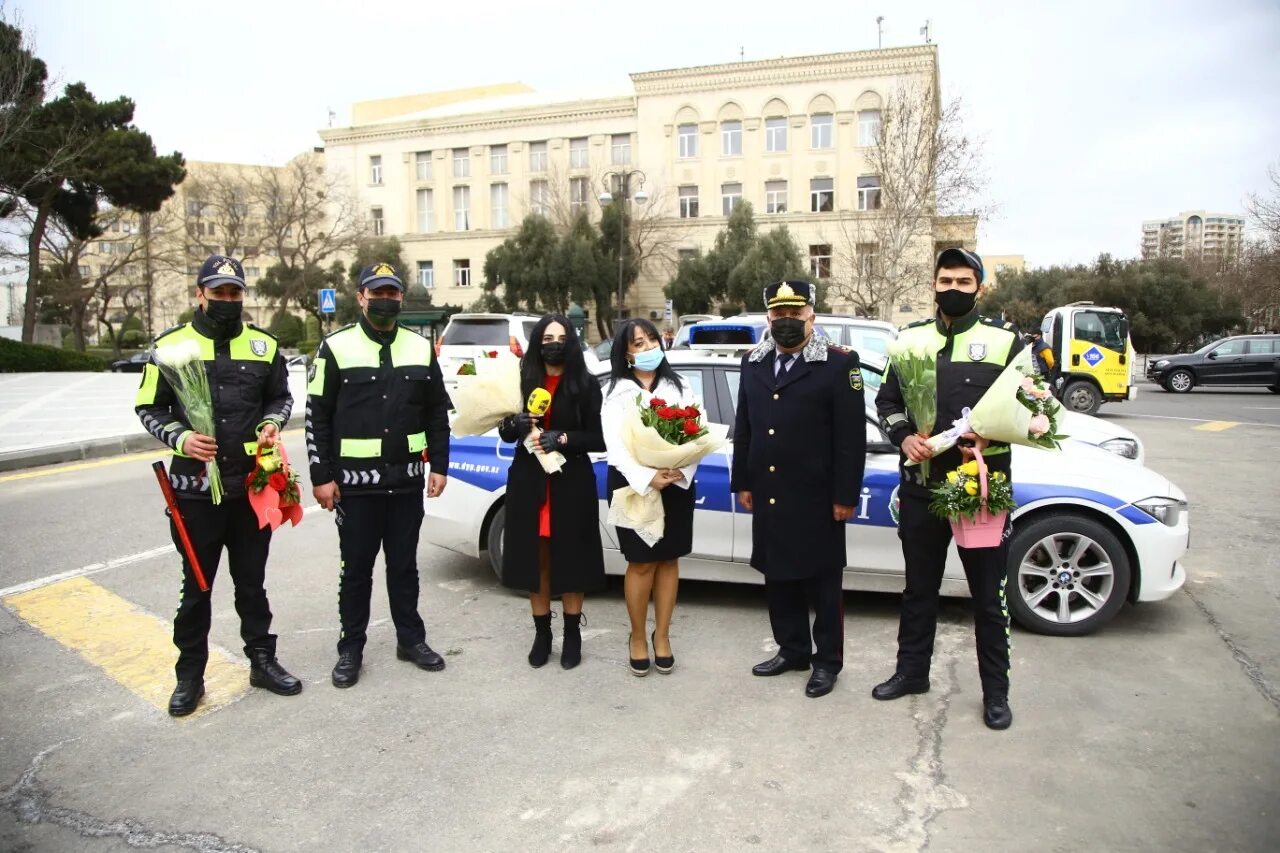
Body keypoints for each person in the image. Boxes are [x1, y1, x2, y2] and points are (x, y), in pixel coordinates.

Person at [135, 254, 300, 716]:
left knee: (253, 585)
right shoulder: (170, 347)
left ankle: (262, 663)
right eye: (219, 292)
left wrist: (271, 422)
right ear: (200, 294)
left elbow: (280, 397)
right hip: (194, 492)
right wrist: (182, 438)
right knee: (198, 588)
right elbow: (149, 407)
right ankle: (190, 676)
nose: (228, 300)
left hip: (251, 488)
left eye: (235, 292)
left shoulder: (264, 347)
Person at [873, 248, 1025, 730]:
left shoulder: (1005, 341)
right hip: (921, 487)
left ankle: (996, 695)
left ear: (979, 287)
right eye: (945, 281)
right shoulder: (909, 340)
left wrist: (993, 433)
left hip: (980, 488)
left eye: (964, 281)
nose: (953, 289)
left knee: (987, 597)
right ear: (933, 285)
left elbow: (1035, 406)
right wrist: (904, 437)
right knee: (919, 589)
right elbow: (887, 400)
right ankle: (912, 673)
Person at [306, 263, 452, 688]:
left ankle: (410, 640)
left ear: (401, 298)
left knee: (404, 567)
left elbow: (436, 412)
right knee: (356, 571)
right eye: (378, 292)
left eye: (392, 292)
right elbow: (318, 417)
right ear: (361, 297)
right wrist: (321, 475)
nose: (385, 299)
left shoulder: (420, 348)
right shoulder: (335, 347)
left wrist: (439, 465)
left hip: (406, 484)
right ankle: (350, 649)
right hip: (355, 487)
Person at [731, 280, 866, 699]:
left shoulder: (840, 364)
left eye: (795, 313)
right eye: (779, 315)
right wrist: (743, 480)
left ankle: (827, 662)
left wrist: (845, 495)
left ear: (812, 315)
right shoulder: (753, 363)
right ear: (768, 318)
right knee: (778, 577)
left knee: (822, 584)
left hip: (818, 496)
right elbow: (746, 427)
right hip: (769, 490)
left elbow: (851, 439)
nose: (786, 321)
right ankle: (792, 649)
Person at [498, 315, 605, 669]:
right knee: (536, 558)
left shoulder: (586, 385)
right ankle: (542, 634)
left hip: (570, 481)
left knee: (572, 559)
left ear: (571, 342)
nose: (554, 343)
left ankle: (572, 634)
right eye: (547, 337)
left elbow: (599, 437)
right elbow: (505, 432)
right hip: (530, 482)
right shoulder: (522, 380)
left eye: (561, 337)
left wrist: (563, 438)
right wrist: (513, 424)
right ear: (537, 342)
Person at [601, 319, 700, 676]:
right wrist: (648, 477)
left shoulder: (681, 384)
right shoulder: (615, 391)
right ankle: (638, 636)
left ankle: (664, 635)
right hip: (634, 485)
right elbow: (616, 448)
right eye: (639, 344)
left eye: (652, 340)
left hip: (675, 484)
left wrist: (679, 470)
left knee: (669, 560)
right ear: (626, 353)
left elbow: (696, 430)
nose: (648, 348)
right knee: (641, 562)